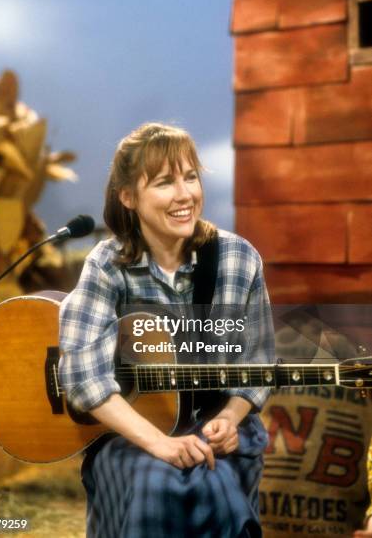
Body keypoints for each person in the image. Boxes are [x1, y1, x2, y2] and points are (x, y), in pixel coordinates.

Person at [59, 122, 275, 538]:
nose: (185, 195)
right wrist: (160, 443)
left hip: (215, 425)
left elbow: (259, 362)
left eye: (190, 177)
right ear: (128, 197)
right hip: (131, 434)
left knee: (211, 479)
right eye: (163, 182)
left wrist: (231, 418)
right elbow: (83, 377)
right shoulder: (107, 265)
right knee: (155, 483)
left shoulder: (238, 259)